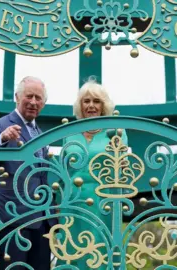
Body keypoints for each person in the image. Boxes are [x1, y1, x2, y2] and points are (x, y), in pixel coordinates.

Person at [0, 76, 56, 270]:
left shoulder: (40, 132)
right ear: (17, 97)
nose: (33, 102)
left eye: (38, 98)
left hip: (41, 220)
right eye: (29, 96)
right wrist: (3, 138)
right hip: (11, 217)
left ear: (44, 104)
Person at [56, 78, 128, 269]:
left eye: (96, 101)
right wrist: (58, 205)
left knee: (101, 250)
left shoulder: (116, 132)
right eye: (86, 101)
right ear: (80, 105)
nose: (91, 106)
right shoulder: (69, 133)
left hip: (104, 201)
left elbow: (123, 169)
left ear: (104, 105)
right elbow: (62, 172)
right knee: (71, 248)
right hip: (72, 202)